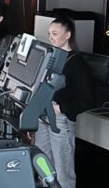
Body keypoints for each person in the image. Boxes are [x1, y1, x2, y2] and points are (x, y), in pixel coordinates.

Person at [33, 17, 94, 188]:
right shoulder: (52, 57)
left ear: (68, 35)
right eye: (49, 34)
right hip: (43, 115)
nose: (50, 38)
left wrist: (62, 108)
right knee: (44, 167)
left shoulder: (77, 63)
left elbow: (88, 99)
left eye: (55, 33)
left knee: (62, 171)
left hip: (60, 119)